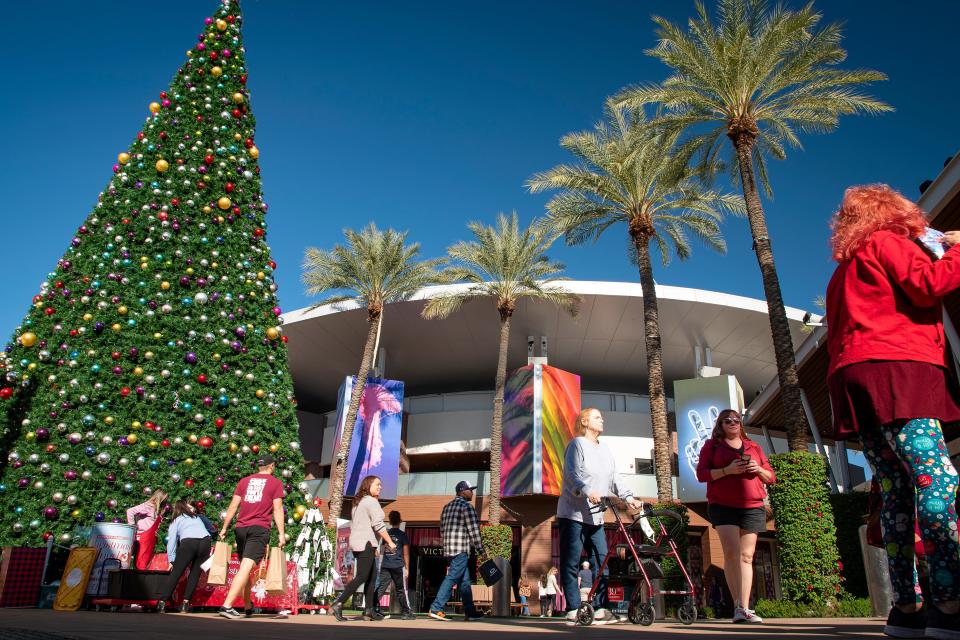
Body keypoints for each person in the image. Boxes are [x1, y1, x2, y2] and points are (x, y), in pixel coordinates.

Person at [825, 184, 960, 639]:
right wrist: (957, 252)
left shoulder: (844, 270)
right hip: (898, 367)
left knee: (895, 489)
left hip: (857, 376)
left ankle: (906, 608)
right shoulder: (887, 243)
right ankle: (949, 601)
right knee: (935, 476)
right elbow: (930, 284)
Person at [557, 407, 643, 625]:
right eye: (597, 417)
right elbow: (572, 474)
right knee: (571, 561)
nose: (602, 419)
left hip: (596, 517)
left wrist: (629, 497)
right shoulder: (576, 444)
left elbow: (615, 478)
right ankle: (573, 608)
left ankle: (600, 608)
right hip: (573, 514)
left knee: (602, 560)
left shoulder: (605, 449)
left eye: (601, 417)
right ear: (585, 422)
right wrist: (588, 491)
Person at [695, 409, 775, 624]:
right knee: (731, 552)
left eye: (736, 420)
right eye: (727, 420)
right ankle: (738, 605)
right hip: (723, 505)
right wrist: (727, 470)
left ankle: (745, 607)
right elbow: (701, 474)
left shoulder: (754, 447)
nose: (732, 423)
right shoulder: (711, 446)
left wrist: (757, 468)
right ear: (720, 425)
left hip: (753, 505)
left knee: (747, 556)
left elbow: (771, 477)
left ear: (741, 424)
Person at [217, 454, 285, 620]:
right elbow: (277, 510)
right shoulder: (275, 483)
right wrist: (282, 534)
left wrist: (225, 527)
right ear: (272, 466)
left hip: (241, 528)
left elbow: (233, 505)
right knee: (246, 568)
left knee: (244, 569)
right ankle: (226, 606)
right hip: (259, 529)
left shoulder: (244, 481)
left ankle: (247, 605)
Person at [330, 475, 396, 622]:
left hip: (361, 542)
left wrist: (375, 545)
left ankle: (369, 611)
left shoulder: (358, 503)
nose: (380, 487)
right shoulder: (371, 502)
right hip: (365, 543)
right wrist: (390, 542)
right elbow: (378, 525)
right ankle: (339, 603)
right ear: (368, 486)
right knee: (362, 576)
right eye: (377, 484)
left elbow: (361, 526)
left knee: (371, 578)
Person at [428, 481, 486, 622]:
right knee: (453, 576)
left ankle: (470, 611)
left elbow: (441, 529)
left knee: (465, 581)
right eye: (470, 490)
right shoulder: (467, 507)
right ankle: (436, 608)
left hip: (449, 549)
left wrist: (446, 546)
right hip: (460, 549)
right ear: (462, 491)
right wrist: (480, 549)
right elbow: (474, 531)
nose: (472, 492)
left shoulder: (446, 507)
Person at [156, 500, 213, 614]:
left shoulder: (176, 520)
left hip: (188, 543)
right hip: (205, 542)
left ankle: (162, 603)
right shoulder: (196, 517)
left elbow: (171, 542)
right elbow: (211, 529)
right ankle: (185, 605)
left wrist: (172, 559)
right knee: (195, 574)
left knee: (176, 573)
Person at [373, 510, 415, 620]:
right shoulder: (402, 535)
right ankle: (406, 612)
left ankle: (372, 608)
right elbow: (406, 553)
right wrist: (407, 568)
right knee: (401, 589)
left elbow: (382, 551)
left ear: (390, 521)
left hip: (386, 565)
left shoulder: (386, 534)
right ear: (400, 521)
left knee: (381, 587)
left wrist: (380, 564)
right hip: (397, 565)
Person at [126, 489, 168, 570]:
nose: (166, 500)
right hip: (143, 538)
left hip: (150, 539)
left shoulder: (158, 509)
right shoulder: (149, 506)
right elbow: (130, 511)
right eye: (164, 498)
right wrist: (132, 527)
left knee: (145, 562)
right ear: (160, 498)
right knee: (141, 563)